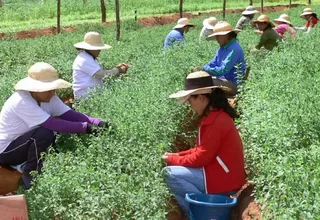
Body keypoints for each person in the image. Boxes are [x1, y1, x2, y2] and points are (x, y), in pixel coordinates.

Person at [0, 62, 111, 189]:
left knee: (48, 132)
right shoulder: (22, 101)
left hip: (23, 144)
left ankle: (36, 164)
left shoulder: (49, 97)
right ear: (36, 89)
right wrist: (86, 128)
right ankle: (30, 175)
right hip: (6, 150)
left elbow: (70, 114)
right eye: (49, 89)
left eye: (54, 88)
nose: (53, 92)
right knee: (44, 133)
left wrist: (98, 123)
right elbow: (52, 124)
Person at [162, 71, 246, 217]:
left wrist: (171, 160)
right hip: (224, 176)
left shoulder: (215, 121)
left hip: (224, 182)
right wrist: (177, 155)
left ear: (200, 98)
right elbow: (201, 150)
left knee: (169, 173)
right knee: (175, 168)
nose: (190, 105)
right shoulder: (215, 116)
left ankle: (202, 212)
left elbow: (201, 157)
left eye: (190, 100)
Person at [72, 32, 129, 99]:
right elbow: (100, 74)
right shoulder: (84, 59)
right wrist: (119, 70)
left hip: (92, 94)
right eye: (98, 48)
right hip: (86, 97)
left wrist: (116, 69)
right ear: (91, 48)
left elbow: (100, 72)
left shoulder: (87, 57)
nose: (100, 50)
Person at [202, 21, 246, 96]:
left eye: (218, 36)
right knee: (199, 78)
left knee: (203, 81)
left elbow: (223, 70)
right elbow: (213, 63)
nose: (216, 39)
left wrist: (205, 69)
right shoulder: (222, 48)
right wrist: (204, 69)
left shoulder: (234, 49)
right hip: (223, 80)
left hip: (233, 84)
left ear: (226, 35)